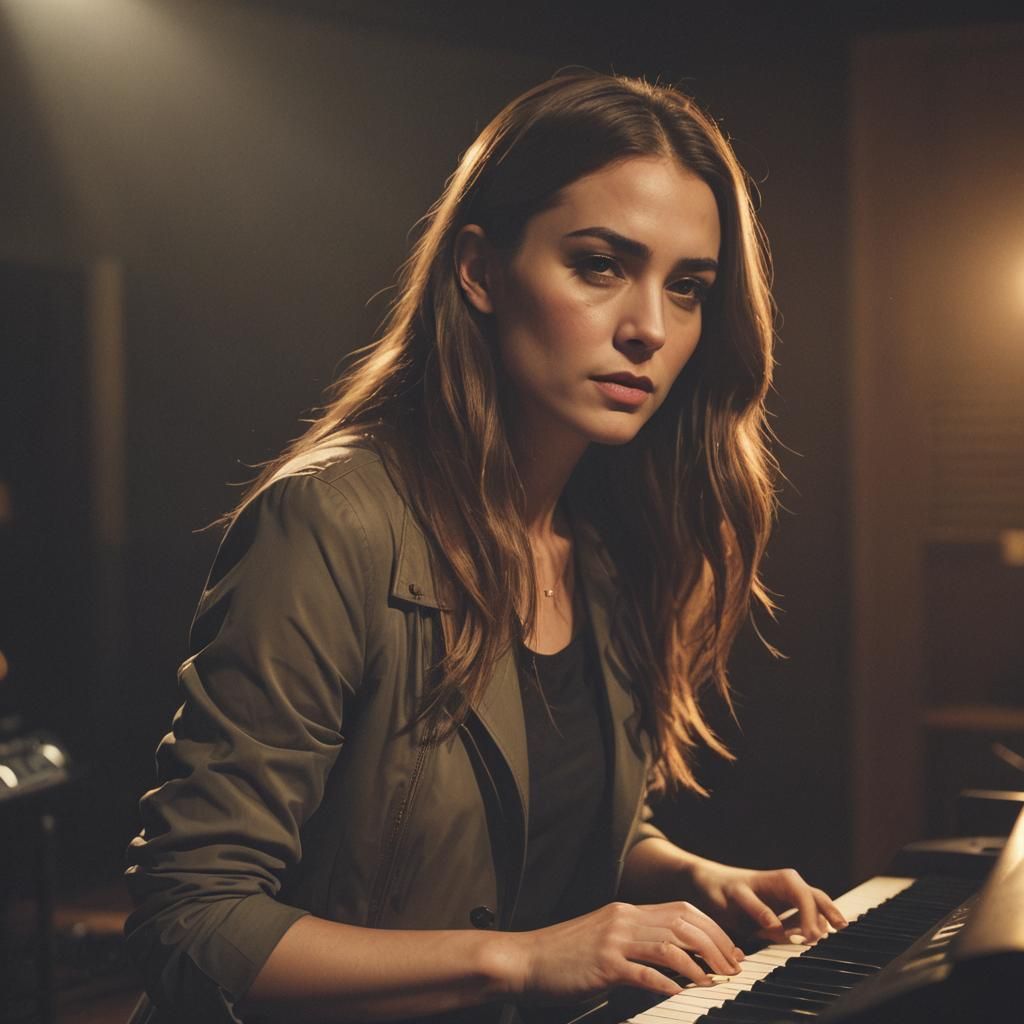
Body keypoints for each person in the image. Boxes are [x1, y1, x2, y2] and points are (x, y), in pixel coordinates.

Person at [123, 71, 847, 1024]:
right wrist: (521, 961)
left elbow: (544, 827)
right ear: (479, 270)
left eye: (687, 288)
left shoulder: (608, 543)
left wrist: (689, 875)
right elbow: (191, 921)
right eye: (600, 265)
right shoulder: (332, 521)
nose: (650, 328)